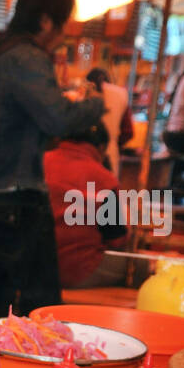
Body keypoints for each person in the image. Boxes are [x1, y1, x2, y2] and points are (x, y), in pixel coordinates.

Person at [0, 0, 105, 318]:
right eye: (61, 27)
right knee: (40, 305)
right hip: (18, 198)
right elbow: (57, 119)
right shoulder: (27, 57)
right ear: (45, 21)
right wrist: (95, 105)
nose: (61, 37)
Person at [45, 123, 131, 288]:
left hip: (31, 268)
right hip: (77, 270)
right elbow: (116, 239)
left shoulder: (39, 162)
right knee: (140, 267)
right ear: (101, 147)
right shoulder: (105, 179)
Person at [84, 67, 132, 174]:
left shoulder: (82, 94)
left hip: (83, 155)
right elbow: (128, 132)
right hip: (110, 154)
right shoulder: (121, 95)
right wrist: (115, 143)